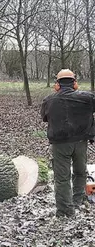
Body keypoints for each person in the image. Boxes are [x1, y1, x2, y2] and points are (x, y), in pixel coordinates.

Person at [41, 69, 95, 217]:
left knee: (62, 177)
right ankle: (78, 200)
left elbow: (45, 118)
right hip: (80, 142)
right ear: (74, 83)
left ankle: (66, 210)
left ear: (57, 84)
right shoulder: (88, 98)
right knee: (80, 172)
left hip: (60, 144)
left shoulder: (48, 100)